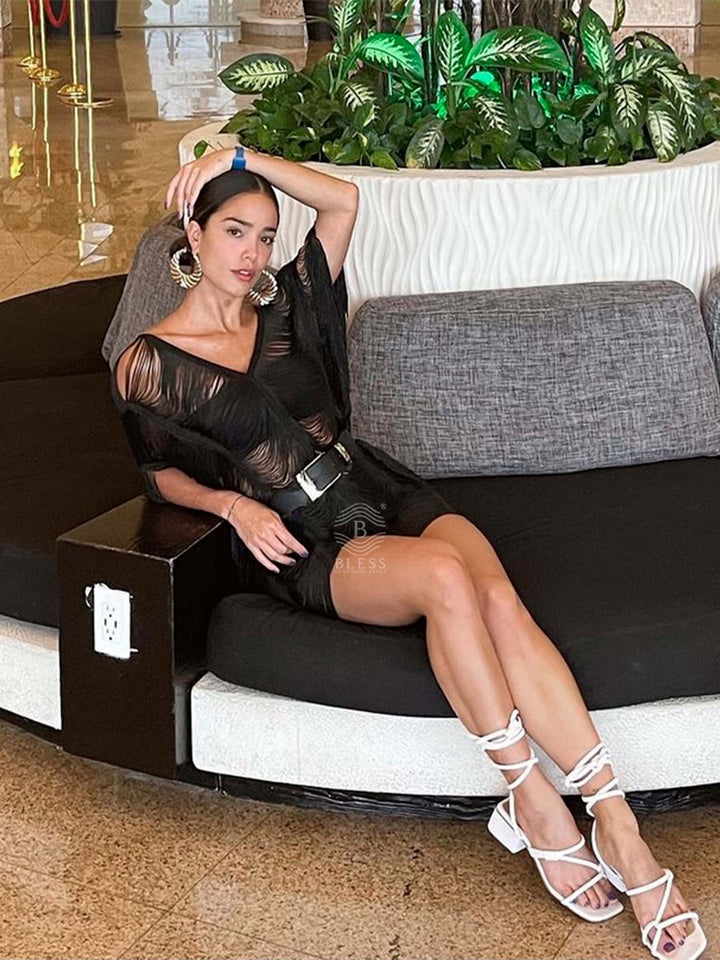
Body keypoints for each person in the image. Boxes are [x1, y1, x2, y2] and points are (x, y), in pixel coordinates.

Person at [111, 144, 705, 960]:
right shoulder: (149, 362)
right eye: (234, 231)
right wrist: (233, 506)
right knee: (445, 578)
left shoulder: (288, 306)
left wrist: (242, 154)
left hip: (380, 487)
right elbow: (158, 473)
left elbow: (343, 201)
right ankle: (532, 798)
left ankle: (617, 824)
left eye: (265, 235)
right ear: (195, 233)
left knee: (496, 595)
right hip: (305, 538)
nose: (251, 254)